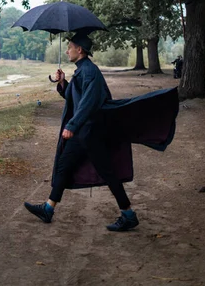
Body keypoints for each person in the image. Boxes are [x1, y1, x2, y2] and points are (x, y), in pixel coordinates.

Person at [24, 32, 179, 232]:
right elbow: (76, 98)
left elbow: (88, 104)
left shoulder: (90, 71)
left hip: (90, 132)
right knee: (67, 166)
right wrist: (63, 84)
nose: (68, 50)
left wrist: (71, 126)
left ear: (79, 50)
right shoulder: (82, 70)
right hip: (86, 132)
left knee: (105, 172)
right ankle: (49, 208)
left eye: (70, 47)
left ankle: (128, 214)